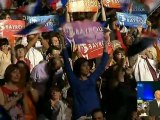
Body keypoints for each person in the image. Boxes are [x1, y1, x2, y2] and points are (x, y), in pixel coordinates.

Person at [61, 34, 109, 119]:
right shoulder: (74, 81)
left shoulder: (92, 79)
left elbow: (102, 64)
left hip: (96, 116)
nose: (88, 67)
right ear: (78, 68)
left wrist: (105, 44)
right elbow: (67, 65)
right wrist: (63, 45)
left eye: (88, 65)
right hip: (81, 117)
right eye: (84, 65)